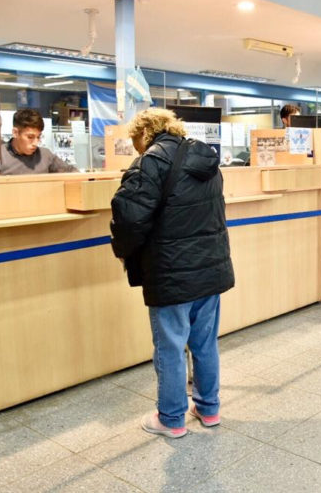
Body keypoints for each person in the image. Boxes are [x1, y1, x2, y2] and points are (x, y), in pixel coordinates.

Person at [110, 108, 235, 438]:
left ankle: (171, 419)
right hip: (210, 269)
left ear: (143, 134)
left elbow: (129, 216)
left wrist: (123, 250)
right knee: (205, 344)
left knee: (170, 346)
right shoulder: (207, 159)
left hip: (171, 272)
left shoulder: (150, 162)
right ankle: (209, 410)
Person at [0, 109, 78, 174]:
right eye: (30, 137)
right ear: (15, 133)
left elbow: (72, 172)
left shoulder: (46, 155)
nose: (35, 143)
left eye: (38, 137)